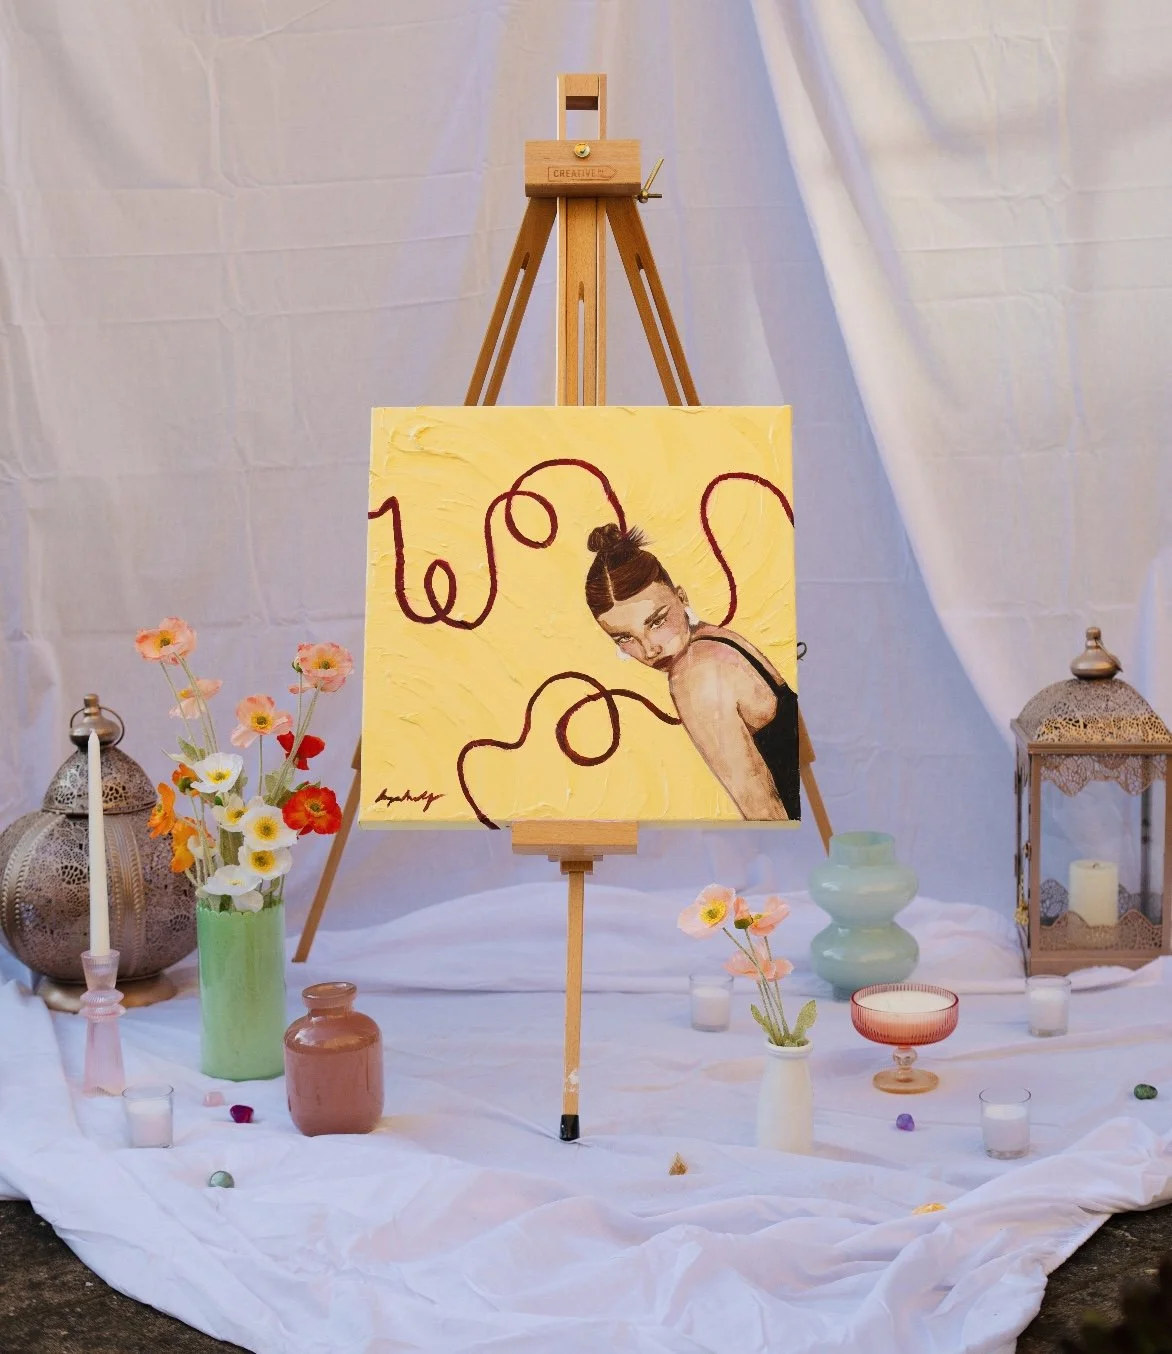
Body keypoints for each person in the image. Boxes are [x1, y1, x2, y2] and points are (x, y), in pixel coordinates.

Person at [584, 524, 799, 821]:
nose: (649, 650)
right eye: (624, 638)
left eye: (656, 622)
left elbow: (765, 814)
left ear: (682, 598)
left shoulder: (694, 673)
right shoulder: (718, 640)